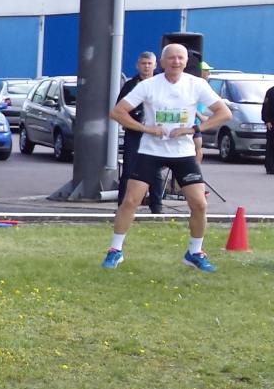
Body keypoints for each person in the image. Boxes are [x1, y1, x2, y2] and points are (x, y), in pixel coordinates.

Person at [102, 42, 232, 272]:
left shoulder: (196, 84)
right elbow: (117, 112)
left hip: (183, 152)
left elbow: (224, 113)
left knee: (199, 204)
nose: (176, 62)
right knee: (131, 200)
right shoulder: (149, 85)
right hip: (151, 150)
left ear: (186, 62)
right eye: (171, 58)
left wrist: (194, 129)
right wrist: (146, 129)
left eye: (180, 58)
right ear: (162, 63)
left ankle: (194, 253)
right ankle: (115, 250)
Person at [116, 51, 164, 214]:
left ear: (155, 65)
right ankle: (122, 207)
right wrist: (131, 122)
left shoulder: (162, 84)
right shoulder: (130, 86)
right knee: (129, 170)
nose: (146, 67)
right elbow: (119, 109)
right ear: (138, 65)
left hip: (156, 133)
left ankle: (157, 207)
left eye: (149, 64)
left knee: (155, 171)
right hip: (134, 133)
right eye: (144, 64)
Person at [263, 80, 274, 175]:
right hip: (272, 124)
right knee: (271, 146)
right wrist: (267, 121)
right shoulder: (271, 92)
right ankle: (270, 167)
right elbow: (265, 107)